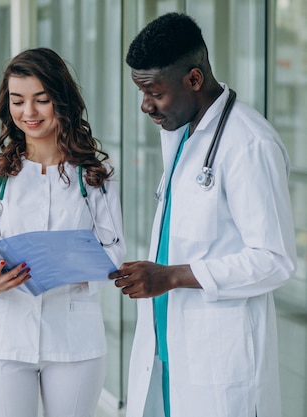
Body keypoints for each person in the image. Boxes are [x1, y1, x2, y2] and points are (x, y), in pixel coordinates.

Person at [109, 12, 296, 417]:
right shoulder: (182, 133)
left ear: (194, 79)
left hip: (217, 354)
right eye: (141, 92)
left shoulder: (250, 143)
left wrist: (171, 275)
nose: (145, 106)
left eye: (154, 93)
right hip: (168, 343)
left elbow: (274, 260)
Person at [0, 47, 126, 417]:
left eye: (42, 100)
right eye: (18, 101)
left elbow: (115, 252)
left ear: (62, 100)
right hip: (2, 338)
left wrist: (72, 266)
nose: (29, 113)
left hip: (74, 338)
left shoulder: (96, 175)